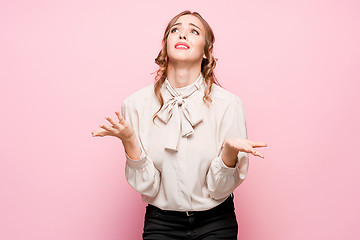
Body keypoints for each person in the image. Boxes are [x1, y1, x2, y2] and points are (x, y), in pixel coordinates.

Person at [92, 10, 267, 240]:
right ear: (165, 46)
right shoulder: (135, 105)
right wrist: (130, 142)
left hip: (216, 222)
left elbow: (218, 190)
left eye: (194, 31)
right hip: (161, 224)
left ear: (206, 52)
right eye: (175, 30)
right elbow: (148, 187)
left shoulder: (229, 105)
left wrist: (228, 154)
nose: (182, 35)